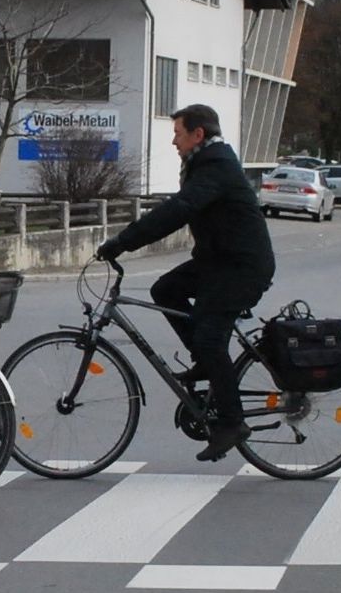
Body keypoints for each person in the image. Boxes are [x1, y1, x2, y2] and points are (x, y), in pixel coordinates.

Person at [94, 103, 274, 461]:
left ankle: (232, 422)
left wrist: (123, 242)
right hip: (217, 263)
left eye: (177, 133)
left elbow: (178, 210)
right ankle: (207, 363)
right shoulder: (202, 164)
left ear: (198, 134)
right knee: (165, 290)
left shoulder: (217, 167)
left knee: (210, 337)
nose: (174, 141)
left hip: (242, 267)